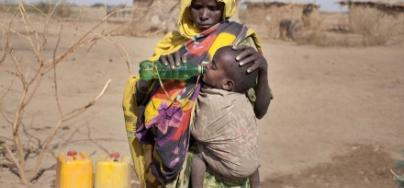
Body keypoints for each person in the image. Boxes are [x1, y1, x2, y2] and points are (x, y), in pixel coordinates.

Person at [122, 0, 272, 187]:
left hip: (224, 172)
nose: (204, 15)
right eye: (197, 6)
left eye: (213, 7)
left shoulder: (237, 42)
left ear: (225, 8)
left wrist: (264, 70)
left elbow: (260, 110)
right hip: (181, 165)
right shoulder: (175, 43)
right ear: (187, 6)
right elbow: (141, 95)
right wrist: (158, 69)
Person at [191, 46, 261, 188]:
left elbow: (199, 133)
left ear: (227, 84)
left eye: (213, 66)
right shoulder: (242, 98)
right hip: (251, 166)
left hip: (232, 170)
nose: (207, 65)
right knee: (251, 159)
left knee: (198, 157)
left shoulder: (212, 102)